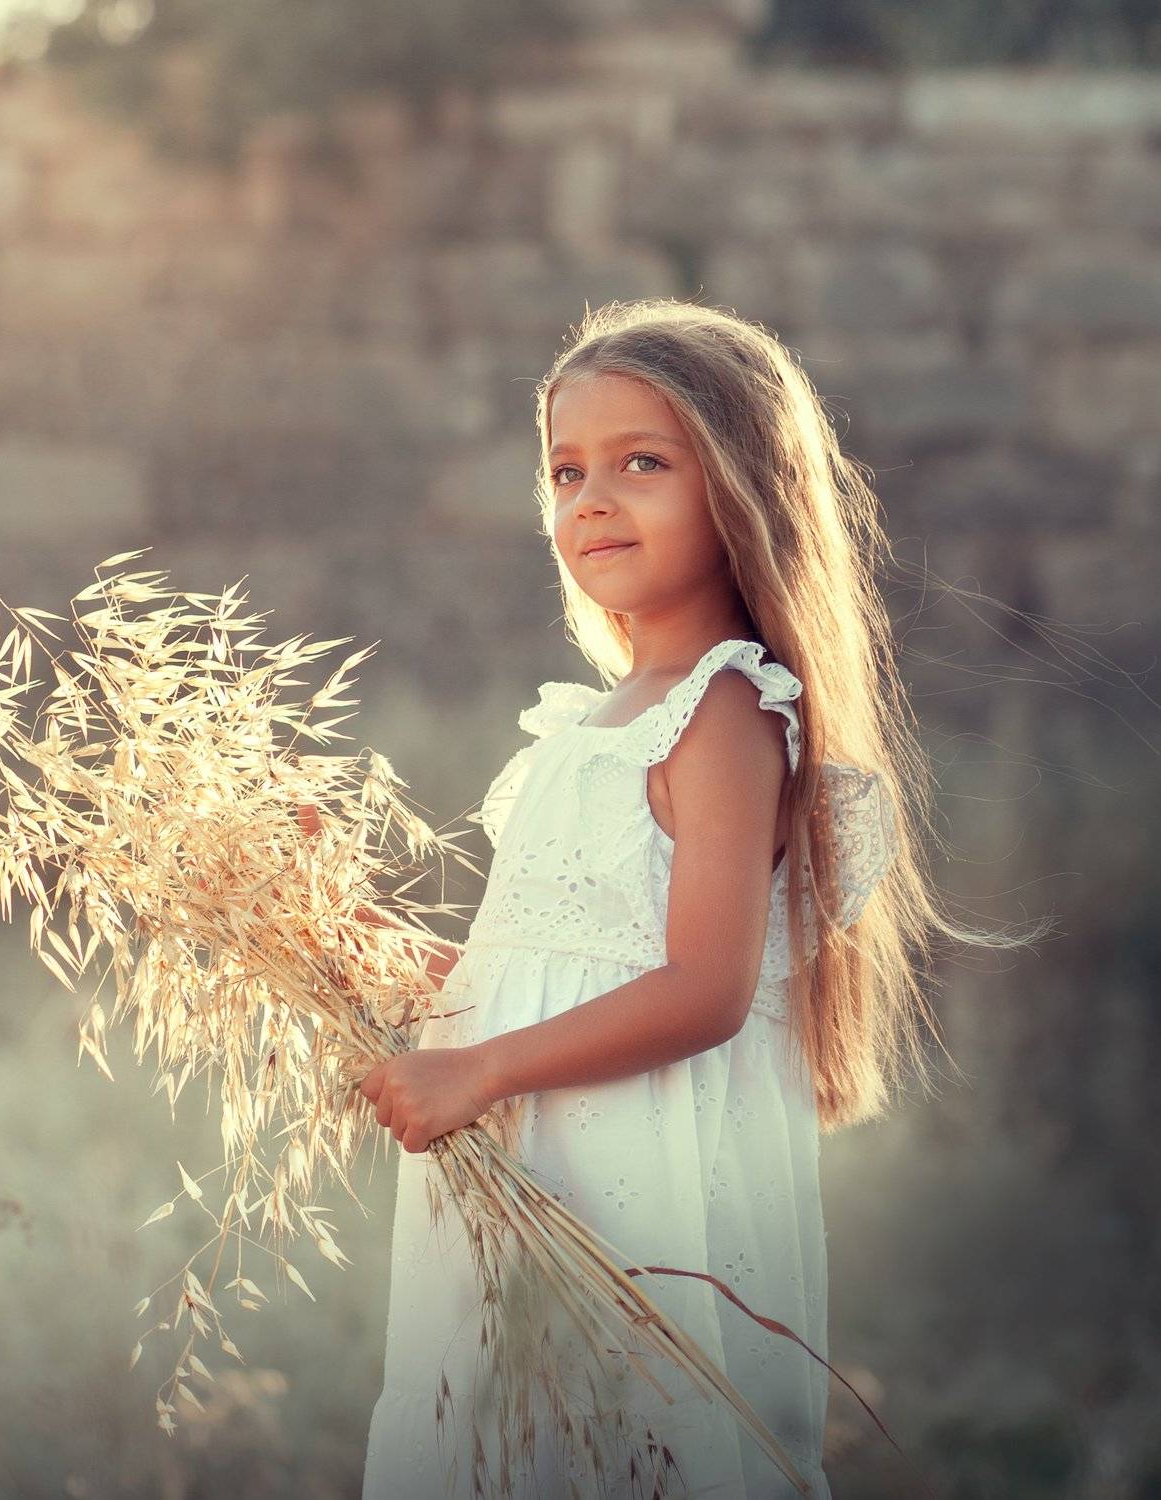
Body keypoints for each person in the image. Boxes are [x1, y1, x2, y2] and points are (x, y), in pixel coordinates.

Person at [353, 297, 1029, 1500]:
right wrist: (340, 922)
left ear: (744, 489)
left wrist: (481, 1071)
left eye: (642, 463)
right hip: (531, 1180)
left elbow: (703, 990)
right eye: (566, 471)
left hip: (636, 1183)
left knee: (628, 1449)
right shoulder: (586, 720)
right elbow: (531, 970)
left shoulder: (721, 712)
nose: (591, 499)